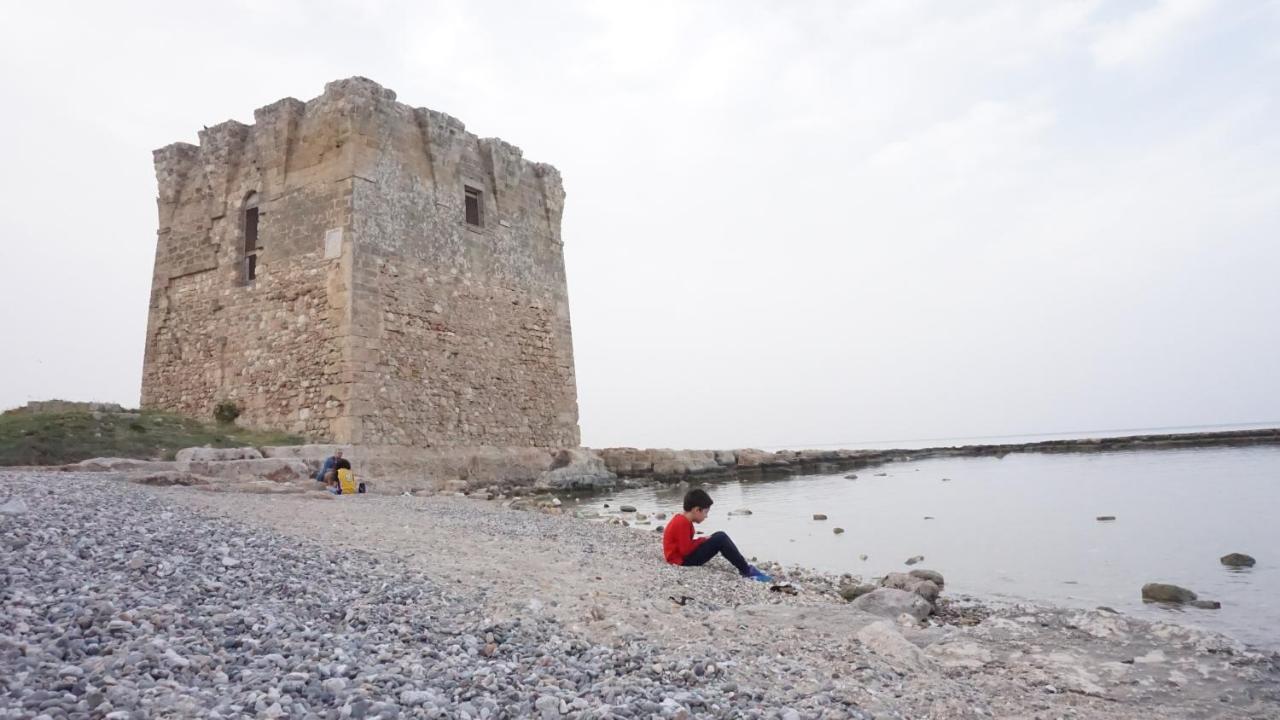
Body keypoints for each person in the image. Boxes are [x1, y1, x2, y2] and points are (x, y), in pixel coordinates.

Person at [663, 488, 773, 582]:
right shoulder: (682, 522)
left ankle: (745, 567)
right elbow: (685, 551)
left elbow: (685, 546)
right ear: (697, 510)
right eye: (705, 512)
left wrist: (703, 540)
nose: (706, 516)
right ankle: (746, 570)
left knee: (718, 535)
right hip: (680, 562)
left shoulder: (683, 520)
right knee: (720, 538)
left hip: (681, 558)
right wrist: (701, 540)